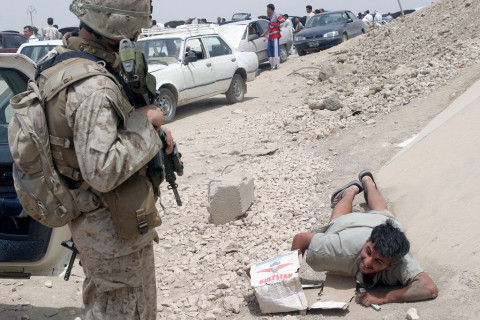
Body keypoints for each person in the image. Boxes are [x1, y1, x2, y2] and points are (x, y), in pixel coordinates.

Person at [40, 1, 175, 318]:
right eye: (137, 27)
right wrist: (147, 123)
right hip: (111, 233)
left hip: (102, 225)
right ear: (120, 27)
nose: (140, 33)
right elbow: (102, 170)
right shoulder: (95, 87)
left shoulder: (63, 64)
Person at [291, 170, 438, 307]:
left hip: (380, 222)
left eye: (378, 261)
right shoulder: (340, 248)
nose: (367, 262)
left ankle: (368, 182)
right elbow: (301, 238)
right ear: (368, 240)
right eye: (368, 252)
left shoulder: (402, 261)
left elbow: (429, 288)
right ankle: (350, 192)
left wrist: (384, 297)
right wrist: (290, 279)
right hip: (349, 227)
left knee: (383, 214)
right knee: (337, 219)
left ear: (391, 265)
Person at [260, 4, 284, 70]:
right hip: (271, 36)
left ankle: (276, 65)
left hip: (275, 36)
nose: (267, 10)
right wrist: (263, 33)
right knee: (270, 50)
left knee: (275, 50)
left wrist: (277, 24)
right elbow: (268, 27)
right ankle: (272, 65)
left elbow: (282, 20)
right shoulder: (270, 17)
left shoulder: (276, 15)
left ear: (270, 9)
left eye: (267, 8)